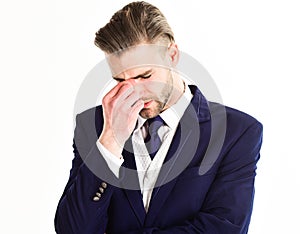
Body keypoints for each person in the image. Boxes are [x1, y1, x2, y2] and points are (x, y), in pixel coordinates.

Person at [54, 1, 263, 233]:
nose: (134, 92)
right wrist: (110, 142)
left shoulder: (238, 132)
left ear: (172, 55)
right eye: (120, 81)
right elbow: (72, 230)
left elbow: (224, 229)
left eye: (145, 76)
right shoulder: (93, 126)